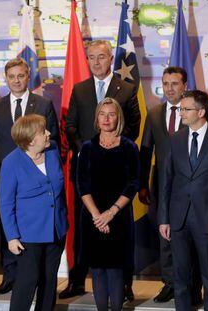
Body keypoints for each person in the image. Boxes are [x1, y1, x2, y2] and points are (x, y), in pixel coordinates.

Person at [63, 39, 140, 301]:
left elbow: (133, 126)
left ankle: (125, 285)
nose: (96, 62)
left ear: (110, 59)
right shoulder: (80, 88)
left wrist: (111, 145)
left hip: (117, 174)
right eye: (91, 57)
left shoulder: (127, 88)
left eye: (101, 57)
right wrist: (86, 149)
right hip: (87, 172)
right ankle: (77, 280)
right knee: (85, 229)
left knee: (119, 239)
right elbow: (70, 125)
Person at [0, 57, 60, 295]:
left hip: (36, 178)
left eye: (21, 75)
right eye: (12, 76)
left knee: (33, 230)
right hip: (6, 177)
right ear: (6, 79)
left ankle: (33, 277)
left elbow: (54, 139)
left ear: (28, 77)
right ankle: (9, 275)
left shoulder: (43, 104)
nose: (16, 80)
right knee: (9, 224)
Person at [159, 90, 208, 311]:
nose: (181, 112)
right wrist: (164, 219)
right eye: (181, 109)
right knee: (181, 276)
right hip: (178, 220)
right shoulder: (174, 140)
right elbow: (166, 182)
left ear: (201, 111)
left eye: (186, 109)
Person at [139, 66, 202, 304]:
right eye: (165, 84)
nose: (169, 88)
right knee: (164, 236)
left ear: (185, 85)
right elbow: (146, 151)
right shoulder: (154, 113)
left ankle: (193, 287)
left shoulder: (196, 112)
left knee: (191, 237)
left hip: (190, 186)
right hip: (161, 186)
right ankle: (170, 284)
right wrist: (142, 185)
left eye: (174, 84)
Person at [0, 114, 67, 311]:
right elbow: (6, 203)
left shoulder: (52, 150)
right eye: (43, 132)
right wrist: (12, 237)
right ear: (30, 140)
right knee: (28, 282)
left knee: (49, 283)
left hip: (56, 230)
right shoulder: (11, 163)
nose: (48, 134)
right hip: (28, 235)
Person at [77, 98, 139, 311]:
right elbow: (82, 185)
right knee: (98, 269)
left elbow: (133, 184)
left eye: (111, 114)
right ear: (96, 117)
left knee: (115, 269)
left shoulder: (129, 147)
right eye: (102, 114)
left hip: (118, 216)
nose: (106, 118)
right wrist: (97, 216)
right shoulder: (87, 147)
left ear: (118, 118)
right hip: (93, 217)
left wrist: (110, 213)